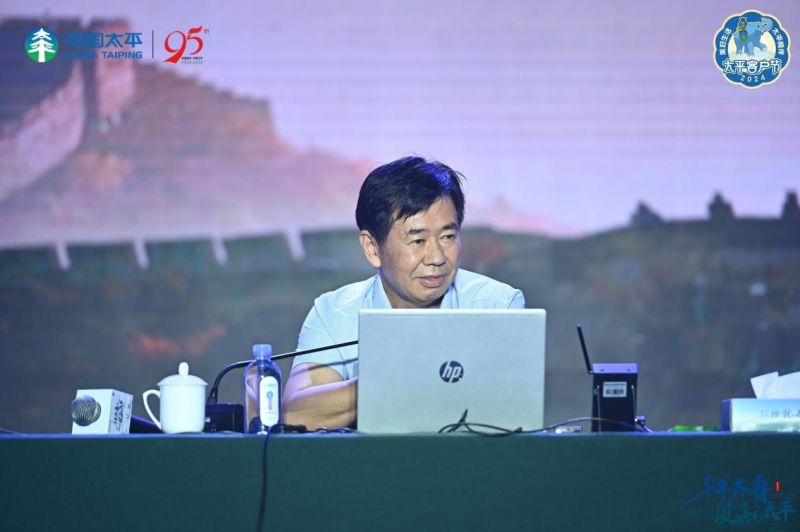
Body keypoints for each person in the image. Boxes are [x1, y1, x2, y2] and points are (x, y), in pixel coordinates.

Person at [283, 156, 525, 429]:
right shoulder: (335, 312)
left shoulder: (497, 305)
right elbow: (298, 414)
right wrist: (399, 377)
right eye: (418, 241)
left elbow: (515, 413)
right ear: (372, 248)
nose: (437, 257)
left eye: (448, 236)